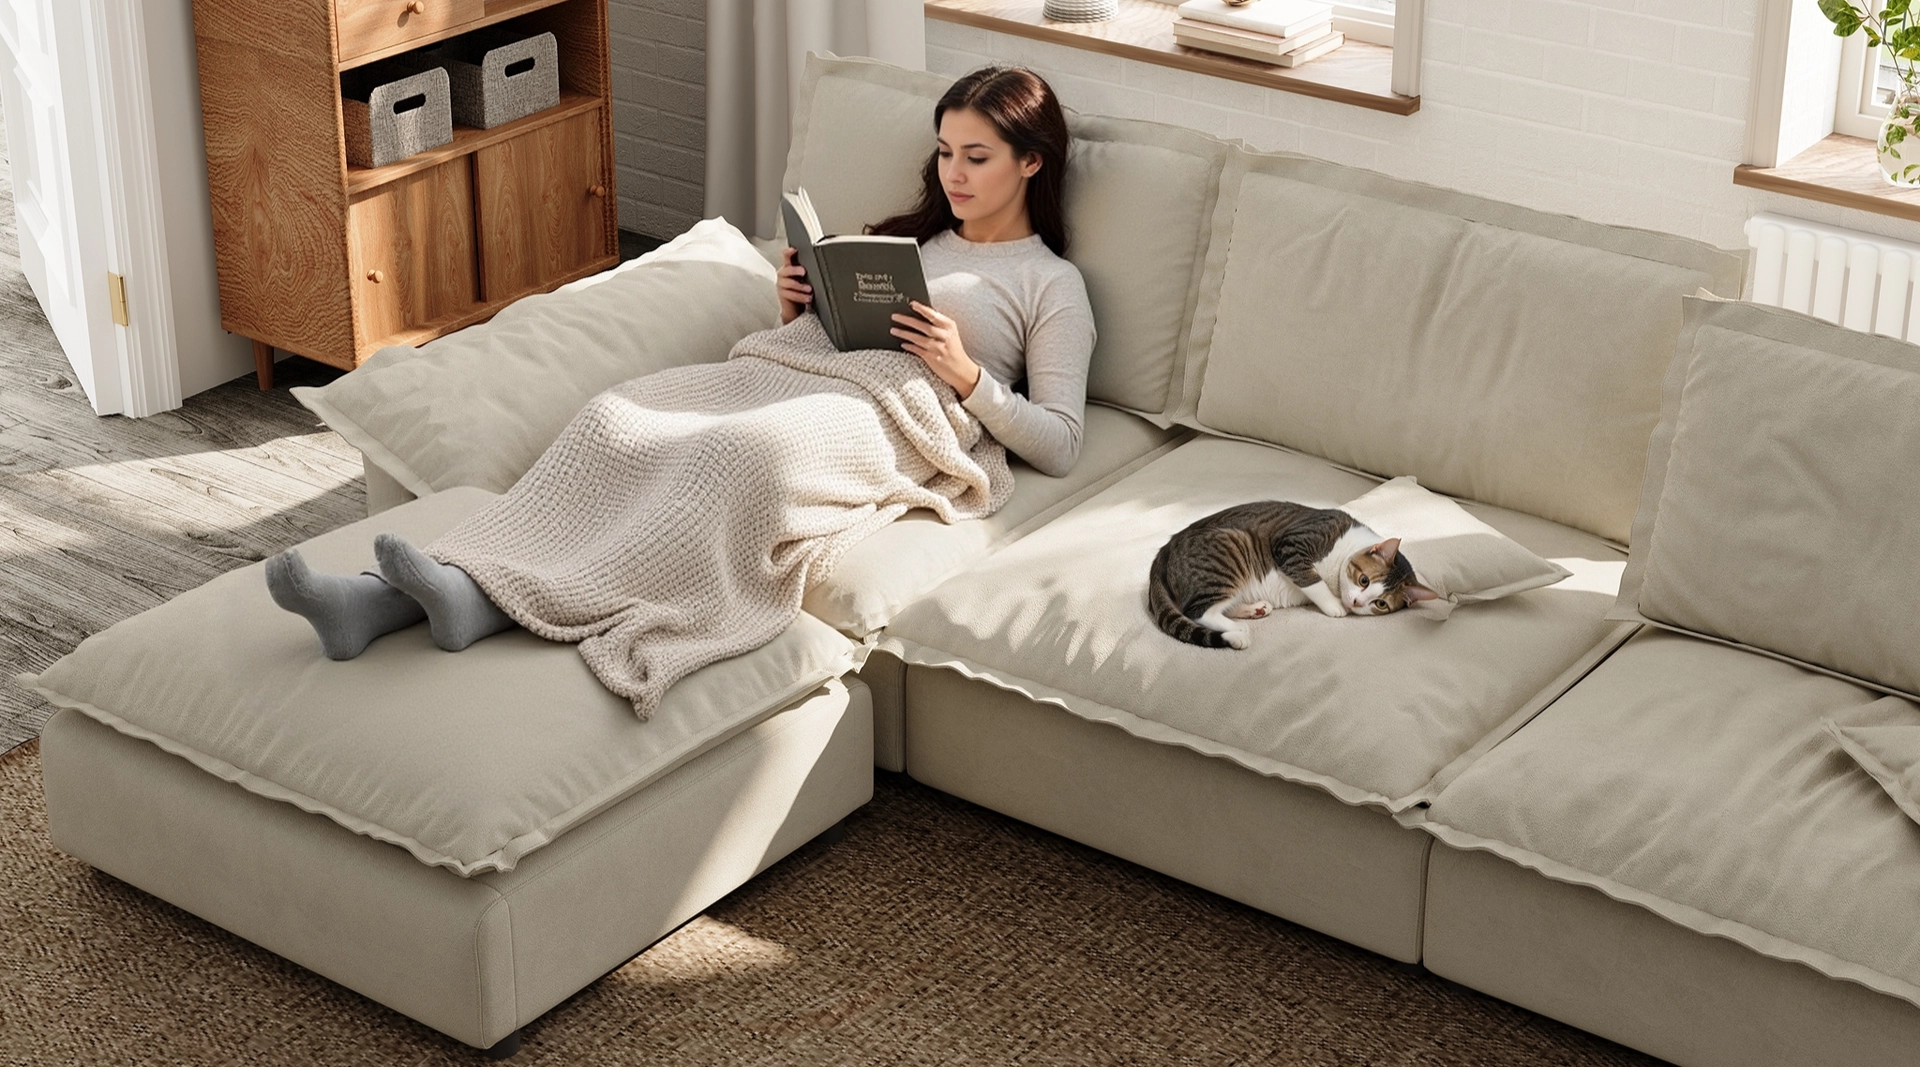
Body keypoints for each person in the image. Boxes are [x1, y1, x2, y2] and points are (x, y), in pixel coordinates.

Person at [266, 66, 1096, 709]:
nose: (954, 173)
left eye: (977, 157)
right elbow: (825, 329)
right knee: (616, 419)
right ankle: (377, 602)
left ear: (1031, 161)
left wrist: (966, 373)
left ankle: (469, 603)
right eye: (946, 152)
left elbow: (1059, 441)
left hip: (887, 415)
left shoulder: (1049, 285)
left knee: (732, 458)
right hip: (790, 366)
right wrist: (799, 304)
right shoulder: (906, 238)